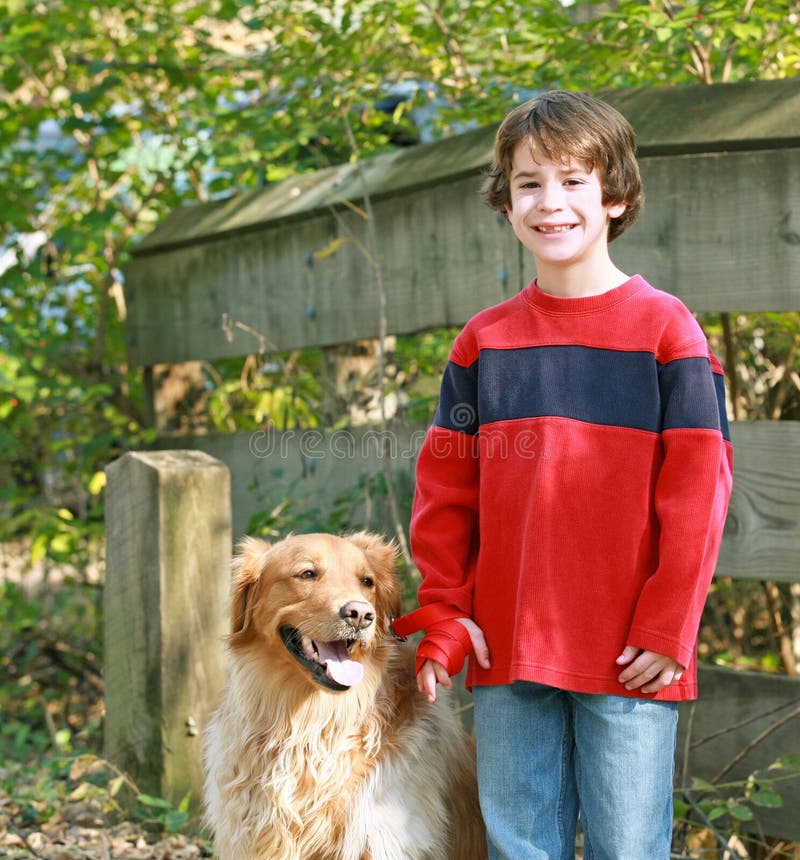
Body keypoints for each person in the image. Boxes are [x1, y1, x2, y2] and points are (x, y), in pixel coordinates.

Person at [394, 90, 734, 859]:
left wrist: (668, 623)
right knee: (521, 847)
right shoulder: (485, 342)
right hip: (504, 647)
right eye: (529, 183)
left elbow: (700, 492)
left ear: (614, 195)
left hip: (630, 653)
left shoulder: (665, 331)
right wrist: (445, 612)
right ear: (505, 201)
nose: (551, 203)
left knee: (628, 848)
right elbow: (445, 495)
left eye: (574, 180)